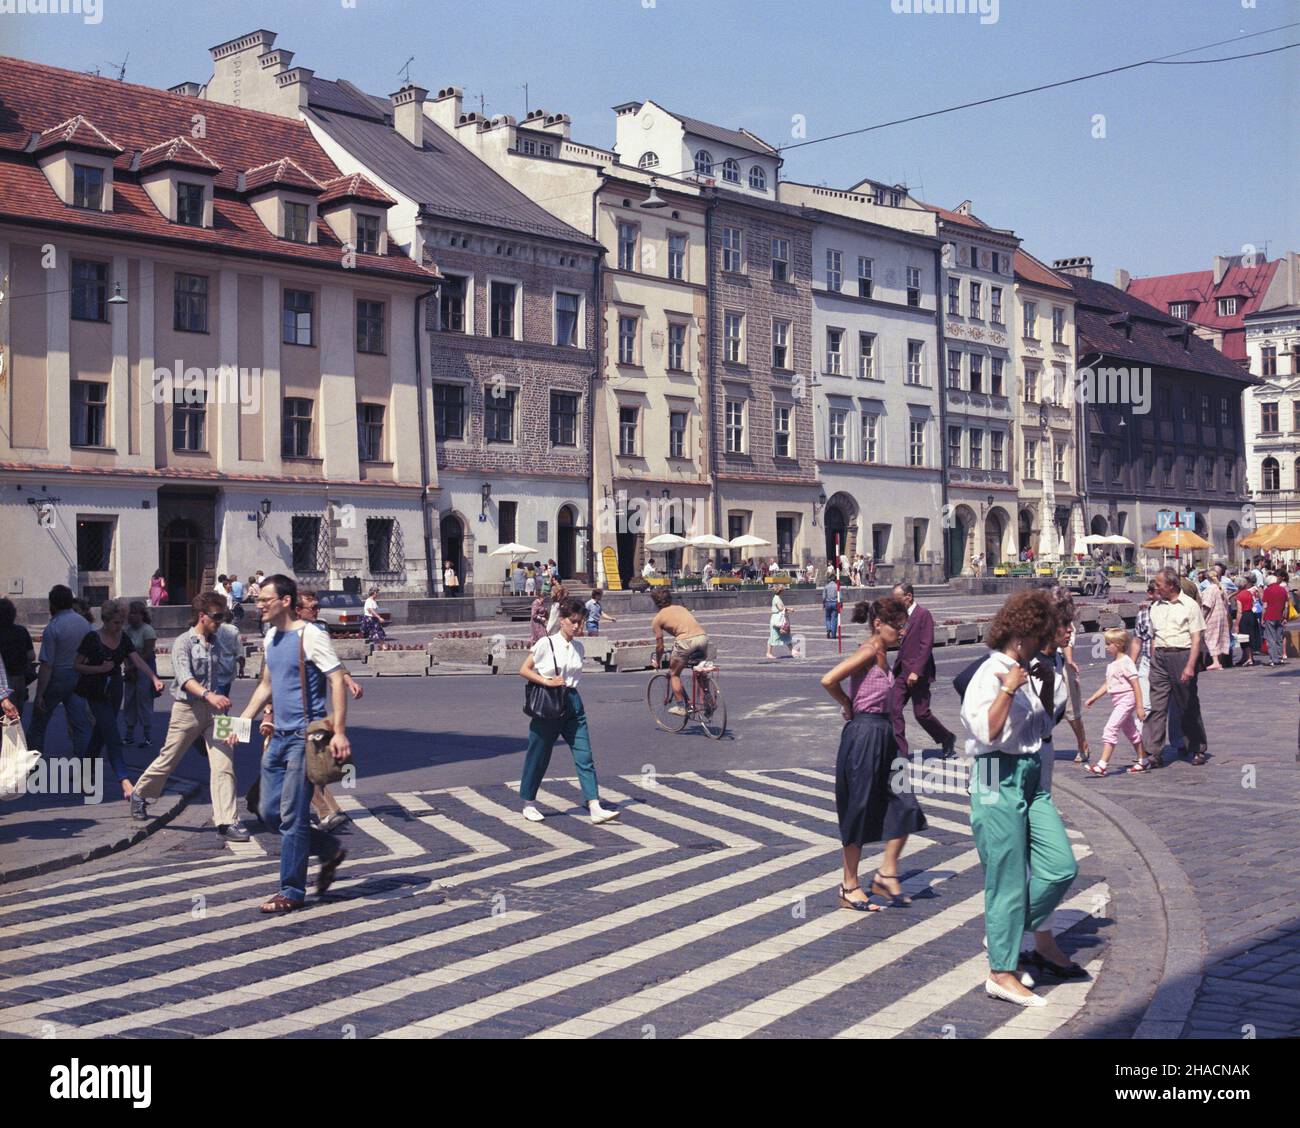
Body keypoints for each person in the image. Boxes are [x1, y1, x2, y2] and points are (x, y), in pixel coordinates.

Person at [960, 589, 1080, 1007]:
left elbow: (1043, 728)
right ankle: (1001, 972)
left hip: (1030, 774)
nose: (1047, 641)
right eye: (1041, 634)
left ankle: (1005, 929)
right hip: (995, 773)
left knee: (1061, 866)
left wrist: (1043, 687)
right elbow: (987, 732)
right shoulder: (991, 672)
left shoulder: (1029, 670)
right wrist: (1009, 690)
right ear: (1021, 634)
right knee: (1007, 877)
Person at [227, 574, 351, 913]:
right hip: (278, 737)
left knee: (293, 816)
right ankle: (327, 848)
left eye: (265, 600)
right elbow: (267, 685)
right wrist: (244, 720)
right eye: (258, 600)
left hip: (304, 738)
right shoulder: (271, 636)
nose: (259, 605)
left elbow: (336, 680)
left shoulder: (310, 635)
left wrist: (339, 731)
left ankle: (291, 890)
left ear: (285, 601)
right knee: (267, 811)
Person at [820, 596, 927, 913]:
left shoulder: (884, 654)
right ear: (878, 624)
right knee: (859, 807)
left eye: (904, 626)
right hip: (864, 734)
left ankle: (886, 874)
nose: (902, 631)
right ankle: (849, 885)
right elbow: (829, 679)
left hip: (884, 734)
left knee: (905, 802)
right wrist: (847, 703)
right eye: (898, 626)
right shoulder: (868, 651)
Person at [132, 593, 248, 841]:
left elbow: (221, 674)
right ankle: (140, 793)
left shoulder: (217, 641)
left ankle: (227, 821)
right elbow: (184, 678)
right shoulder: (183, 642)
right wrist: (208, 695)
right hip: (187, 709)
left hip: (215, 710)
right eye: (217, 616)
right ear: (202, 616)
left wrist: (220, 700)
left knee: (224, 765)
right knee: (169, 757)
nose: (220, 621)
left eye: (223, 616)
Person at [518, 595, 619, 825]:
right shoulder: (546, 643)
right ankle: (528, 803)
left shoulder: (579, 647)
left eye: (580, 621)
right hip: (549, 702)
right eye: (573, 621)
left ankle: (594, 805)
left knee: (585, 755)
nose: (577, 626)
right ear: (562, 619)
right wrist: (547, 681)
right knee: (538, 754)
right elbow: (524, 669)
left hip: (573, 701)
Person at [75, 599, 164, 802]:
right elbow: (77, 665)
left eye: (121, 622)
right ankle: (124, 781)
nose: (119, 626)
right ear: (105, 621)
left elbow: (137, 659)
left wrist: (154, 678)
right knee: (112, 734)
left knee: (100, 733)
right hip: (96, 689)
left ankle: (84, 774)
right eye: (116, 622)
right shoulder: (92, 638)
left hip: (114, 688)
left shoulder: (122, 638)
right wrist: (99, 668)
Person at [297, 591, 363, 834]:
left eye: (317, 607)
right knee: (304, 766)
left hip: (311, 714)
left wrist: (348, 680)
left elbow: (333, 662)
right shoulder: (282, 635)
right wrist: (269, 711)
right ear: (297, 610)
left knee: (307, 766)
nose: (317, 611)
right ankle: (329, 810)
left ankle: (326, 812)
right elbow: (269, 677)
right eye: (312, 607)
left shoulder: (317, 632)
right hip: (289, 714)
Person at [1142, 567, 1209, 768]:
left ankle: (1197, 747)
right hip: (1160, 657)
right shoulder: (1156, 606)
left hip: (1182, 655)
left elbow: (1196, 639)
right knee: (1157, 706)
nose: (1156, 588)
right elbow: (1154, 635)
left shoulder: (1189, 606)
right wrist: (1154, 657)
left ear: (1171, 585)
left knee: (1187, 704)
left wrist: (1190, 666)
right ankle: (1153, 752)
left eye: (1159, 584)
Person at [889, 584, 957, 759]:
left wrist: (916, 671)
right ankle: (900, 753)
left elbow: (926, 645)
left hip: (918, 673)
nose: (894, 602)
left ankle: (946, 737)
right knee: (894, 709)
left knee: (921, 714)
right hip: (901, 672)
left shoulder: (923, 615)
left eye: (897, 599)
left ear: (908, 596)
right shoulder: (901, 616)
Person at [26, 585, 93, 758]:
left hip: (58, 676)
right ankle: (85, 767)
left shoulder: (53, 627)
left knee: (38, 724)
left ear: (52, 604)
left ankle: (34, 766)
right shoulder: (84, 623)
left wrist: (40, 694)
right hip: (79, 675)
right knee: (81, 725)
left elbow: (47, 665)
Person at [1083, 629, 1147, 775]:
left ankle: (1102, 764)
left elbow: (1136, 685)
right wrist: (1093, 697)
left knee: (1110, 729)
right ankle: (1143, 759)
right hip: (1118, 701)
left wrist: (1140, 706)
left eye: (1108, 644)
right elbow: (1108, 684)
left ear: (1118, 645)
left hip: (1126, 700)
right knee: (1131, 731)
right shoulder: (1113, 664)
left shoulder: (1126, 662)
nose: (1106, 647)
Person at [649, 589, 713, 716]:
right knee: (699, 670)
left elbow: (660, 646)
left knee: (674, 674)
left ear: (655, 602)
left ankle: (681, 707)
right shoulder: (681, 608)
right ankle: (708, 700)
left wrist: (658, 661)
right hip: (702, 638)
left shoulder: (657, 619)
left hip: (685, 642)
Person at [1049, 590, 1091, 763]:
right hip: (993, 749)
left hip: (1060, 662)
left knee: (1071, 709)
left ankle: (1082, 743)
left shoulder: (1066, 624)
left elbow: (1067, 643)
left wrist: (1070, 660)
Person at [121, 601, 157, 746]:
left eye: (134, 613)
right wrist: (128, 666)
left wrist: (134, 666)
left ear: (142, 615)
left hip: (145, 669)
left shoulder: (148, 630)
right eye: (130, 613)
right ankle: (129, 734)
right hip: (131, 669)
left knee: (144, 701)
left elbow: (148, 653)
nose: (131, 616)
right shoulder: (128, 631)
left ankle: (147, 736)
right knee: (129, 700)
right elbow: (124, 650)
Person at [0, 598, 35, 718]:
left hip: (3, 680)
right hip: (19, 678)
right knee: (15, 717)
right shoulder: (21, 631)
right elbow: (31, 655)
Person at [1199, 571, 1230, 671]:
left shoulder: (1210, 589)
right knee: (1219, 637)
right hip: (1222, 616)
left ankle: (1215, 661)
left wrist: (1202, 618)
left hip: (1213, 616)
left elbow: (1206, 605)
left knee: (1211, 637)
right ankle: (1218, 661)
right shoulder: (1221, 589)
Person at [1261, 571, 1289, 667]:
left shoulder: (1267, 590)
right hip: (1280, 616)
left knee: (1271, 639)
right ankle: (1280, 657)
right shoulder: (1283, 590)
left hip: (1270, 616)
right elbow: (1286, 605)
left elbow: (1265, 606)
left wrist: (1262, 618)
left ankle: (1273, 659)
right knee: (1279, 638)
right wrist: (1285, 617)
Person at [1233, 579, 1261, 667]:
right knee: (1251, 635)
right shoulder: (1250, 593)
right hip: (1251, 615)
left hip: (1244, 616)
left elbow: (1239, 611)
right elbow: (1253, 604)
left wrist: (1236, 624)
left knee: (1245, 637)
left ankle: (1248, 658)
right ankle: (1248, 657)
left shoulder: (1239, 596)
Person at [765, 584, 793, 660]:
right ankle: (768, 653)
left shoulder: (778, 598)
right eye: (783, 590)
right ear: (781, 591)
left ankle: (792, 651)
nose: (784, 591)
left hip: (779, 619)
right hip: (777, 620)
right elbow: (780, 608)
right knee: (773, 636)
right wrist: (789, 609)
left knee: (786, 634)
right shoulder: (776, 598)